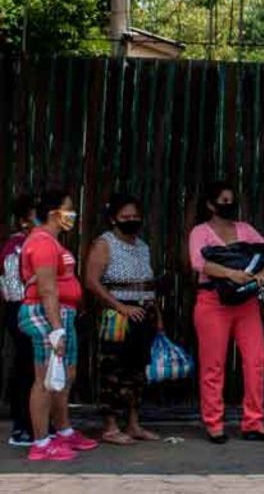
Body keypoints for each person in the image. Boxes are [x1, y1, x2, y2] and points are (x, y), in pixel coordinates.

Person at [188, 179, 264, 444]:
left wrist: (262, 274)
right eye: (223, 201)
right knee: (213, 365)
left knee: (256, 360)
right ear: (210, 204)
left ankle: (254, 422)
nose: (229, 205)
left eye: (231, 200)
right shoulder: (200, 232)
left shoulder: (245, 229)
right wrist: (231, 273)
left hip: (246, 303)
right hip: (213, 302)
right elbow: (198, 263)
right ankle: (214, 424)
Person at [18, 189, 99, 461]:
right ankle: (41, 444)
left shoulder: (53, 242)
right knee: (45, 380)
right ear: (54, 213)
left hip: (62, 314)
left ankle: (63, 432)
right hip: (46, 314)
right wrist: (56, 330)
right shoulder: (41, 242)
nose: (72, 214)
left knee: (64, 376)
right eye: (69, 209)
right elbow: (47, 289)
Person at [83, 192, 163, 445]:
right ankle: (110, 427)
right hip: (117, 316)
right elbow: (92, 282)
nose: (131, 220)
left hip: (144, 314)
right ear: (113, 219)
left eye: (135, 217)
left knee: (137, 371)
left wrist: (157, 316)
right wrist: (120, 306)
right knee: (113, 371)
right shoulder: (104, 244)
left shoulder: (142, 246)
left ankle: (133, 424)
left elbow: (148, 284)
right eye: (125, 217)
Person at [2, 193, 36, 447]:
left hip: (35, 309)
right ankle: (22, 426)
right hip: (22, 310)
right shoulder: (16, 246)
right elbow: (15, 288)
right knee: (27, 368)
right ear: (25, 220)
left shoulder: (38, 242)